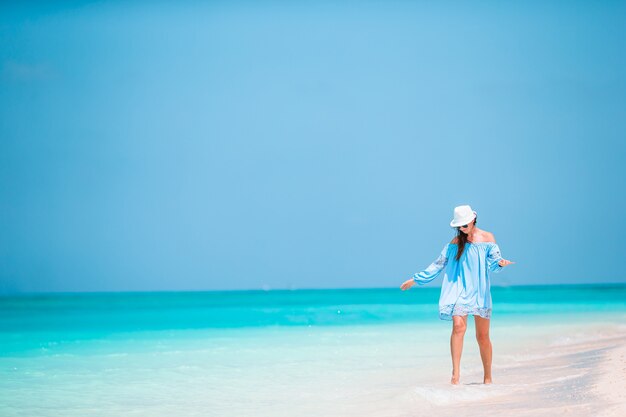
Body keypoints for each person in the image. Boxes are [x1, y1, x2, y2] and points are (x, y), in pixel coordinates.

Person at [400, 205, 514, 385]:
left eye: (464, 225)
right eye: (459, 226)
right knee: (458, 327)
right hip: (459, 291)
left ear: (472, 219)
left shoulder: (487, 238)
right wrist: (415, 280)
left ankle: (488, 377)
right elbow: (437, 265)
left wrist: (500, 263)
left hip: (479, 292)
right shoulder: (455, 244)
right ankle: (455, 375)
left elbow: (493, 264)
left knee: (482, 336)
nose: (462, 228)